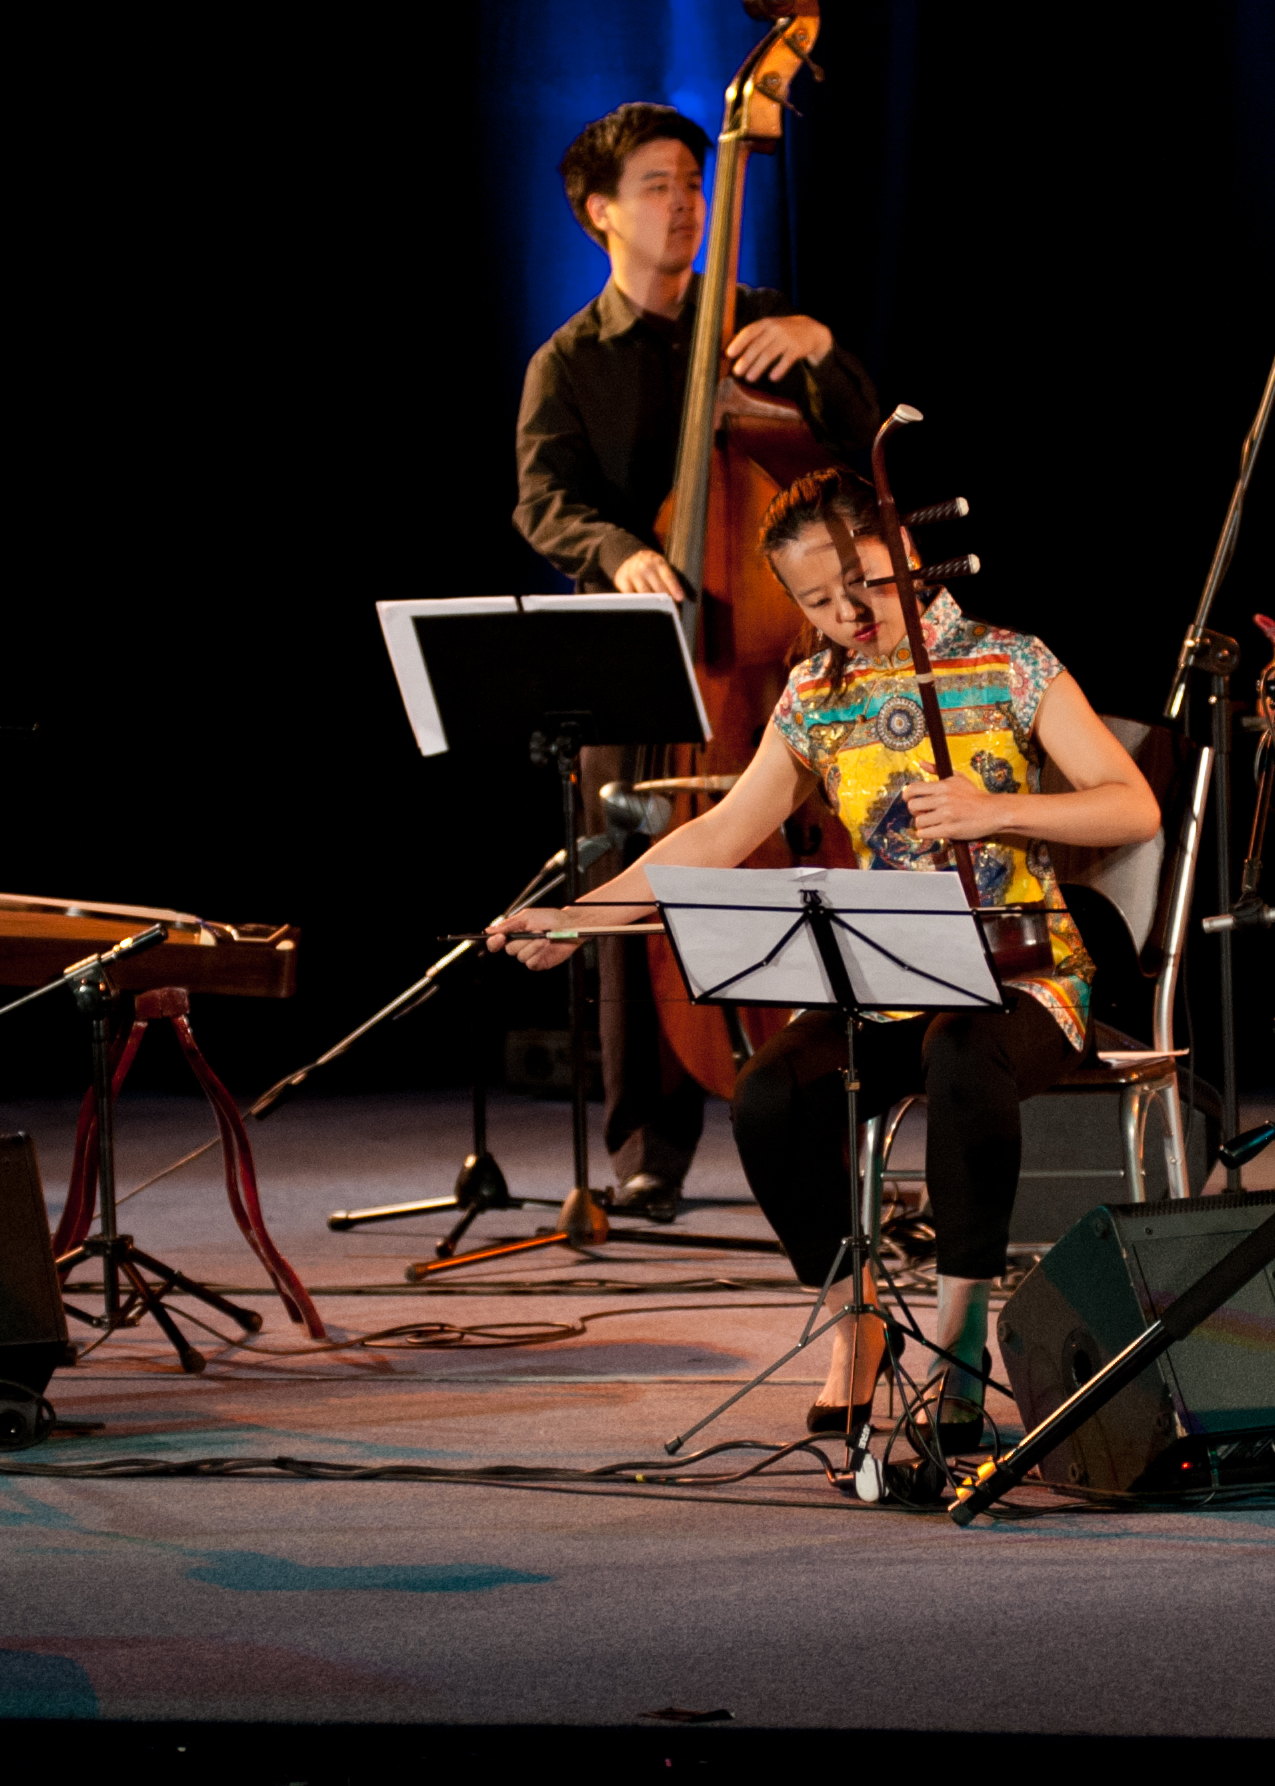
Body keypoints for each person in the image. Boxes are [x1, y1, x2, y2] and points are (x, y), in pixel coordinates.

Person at [491, 471, 1156, 1444]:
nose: (849, 614)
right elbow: (717, 833)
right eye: (817, 601)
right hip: (892, 975)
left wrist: (997, 808)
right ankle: (856, 1315)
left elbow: (1131, 804)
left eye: (868, 585)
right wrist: (578, 920)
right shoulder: (816, 695)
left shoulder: (1010, 662)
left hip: (1023, 976)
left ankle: (960, 1342)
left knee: (962, 1056)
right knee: (769, 1095)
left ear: (909, 554)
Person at [513, 101, 884, 1214]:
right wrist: (618, 549)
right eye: (657, 187)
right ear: (599, 212)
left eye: (693, 182)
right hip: (637, 655)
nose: (684, 205)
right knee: (624, 882)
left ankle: (832, 1097)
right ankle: (648, 1144)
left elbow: (859, 445)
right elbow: (542, 499)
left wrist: (824, 352)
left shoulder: (758, 323)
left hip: (763, 667)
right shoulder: (567, 361)